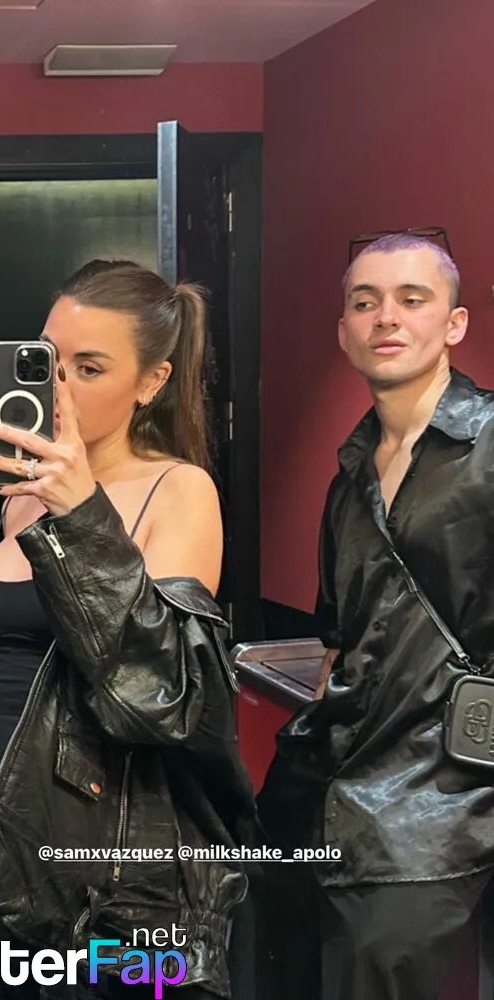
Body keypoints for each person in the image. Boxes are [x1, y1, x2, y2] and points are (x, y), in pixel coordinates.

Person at [0, 259, 256, 999]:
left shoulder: (179, 490)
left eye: (89, 368)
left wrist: (82, 513)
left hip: (114, 871)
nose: (59, 386)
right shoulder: (21, 495)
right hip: (7, 843)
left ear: (151, 381)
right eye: (49, 359)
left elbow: (163, 691)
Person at [257, 233, 494, 1000]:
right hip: (331, 777)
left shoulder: (490, 445)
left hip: (449, 796)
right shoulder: (351, 471)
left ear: (453, 324)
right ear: (344, 331)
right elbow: (338, 639)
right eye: (365, 302)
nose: (385, 316)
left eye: (411, 299)